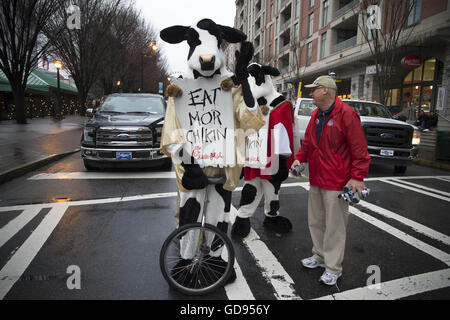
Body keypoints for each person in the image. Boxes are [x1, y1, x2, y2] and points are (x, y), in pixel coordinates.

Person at [291, 75, 371, 286]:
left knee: (334, 226)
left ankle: (333, 267)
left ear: (325, 90)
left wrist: (357, 177)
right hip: (317, 177)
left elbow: (359, 149)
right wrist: (299, 158)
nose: (311, 93)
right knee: (316, 221)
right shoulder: (317, 113)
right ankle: (319, 256)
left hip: (337, 180)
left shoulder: (347, 114)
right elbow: (308, 142)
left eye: (314, 89)